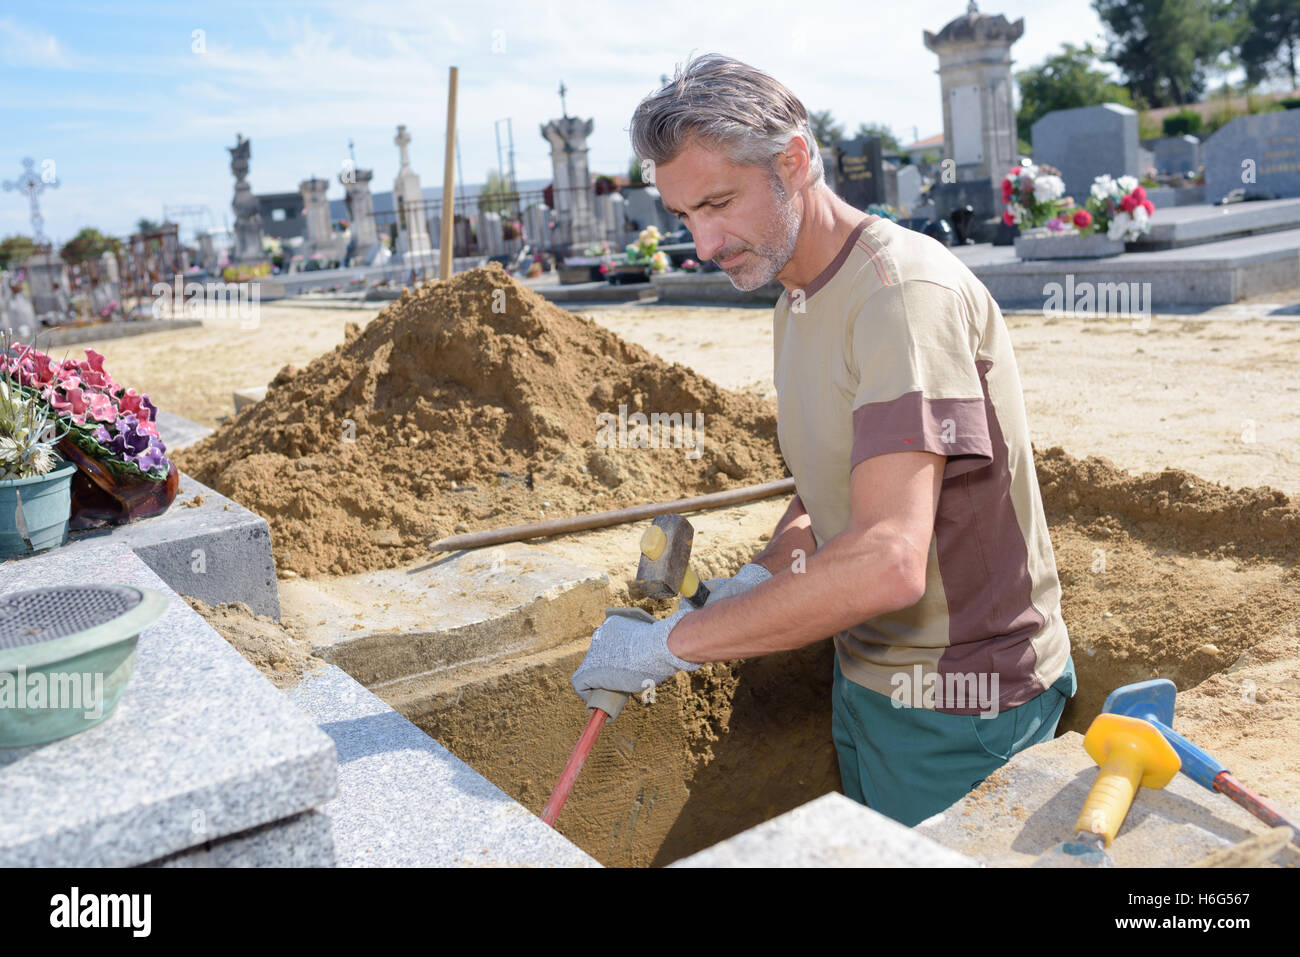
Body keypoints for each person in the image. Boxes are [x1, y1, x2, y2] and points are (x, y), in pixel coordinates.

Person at [571, 53, 1076, 827]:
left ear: (795, 161)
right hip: (871, 679)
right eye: (683, 217)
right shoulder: (799, 295)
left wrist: (675, 641)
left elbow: (887, 560)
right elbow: (831, 482)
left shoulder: (900, 298)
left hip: (960, 702)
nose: (703, 243)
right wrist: (764, 572)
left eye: (718, 202)